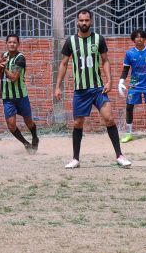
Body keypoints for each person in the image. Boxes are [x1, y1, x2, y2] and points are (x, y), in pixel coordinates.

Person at [54, 9, 131, 169]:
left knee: (109, 118)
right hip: (80, 91)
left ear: (91, 21)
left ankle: (120, 155)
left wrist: (109, 81)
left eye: (87, 20)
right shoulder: (70, 42)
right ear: (77, 21)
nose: (84, 23)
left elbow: (105, 61)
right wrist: (58, 86)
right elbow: (63, 64)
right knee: (78, 123)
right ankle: (75, 159)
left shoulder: (99, 39)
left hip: (97, 89)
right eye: (81, 20)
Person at [0, 34, 39, 153]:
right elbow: (0, 76)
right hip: (7, 96)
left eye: (14, 42)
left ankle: (35, 137)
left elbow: (14, 78)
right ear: (6, 43)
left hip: (21, 96)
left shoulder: (20, 58)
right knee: (11, 125)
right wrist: (0, 67)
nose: (12, 44)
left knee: (28, 121)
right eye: (9, 42)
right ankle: (26, 144)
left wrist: (3, 66)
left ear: (18, 44)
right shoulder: (3, 56)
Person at [117, 29, 146, 143]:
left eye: (141, 37)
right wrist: (121, 82)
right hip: (134, 84)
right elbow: (125, 70)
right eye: (136, 37)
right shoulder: (130, 53)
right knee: (129, 107)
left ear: (145, 38)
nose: (139, 39)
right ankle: (129, 133)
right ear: (133, 39)